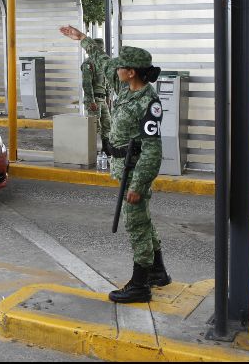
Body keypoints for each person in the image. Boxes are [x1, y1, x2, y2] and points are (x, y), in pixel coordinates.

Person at [60, 25, 170, 304]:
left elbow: (153, 150)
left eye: (122, 66)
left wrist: (138, 184)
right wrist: (83, 39)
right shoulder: (124, 86)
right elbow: (104, 61)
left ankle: (139, 285)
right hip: (123, 167)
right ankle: (158, 272)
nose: (117, 68)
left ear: (131, 71)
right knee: (142, 218)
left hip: (135, 172)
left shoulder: (148, 102)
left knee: (136, 225)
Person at [81, 37, 111, 152]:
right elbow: (87, 84)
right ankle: (91, 151)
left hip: (102, 100)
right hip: (94, 100)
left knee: (107, 124)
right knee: (94, 127)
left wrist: (108, 97)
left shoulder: (103, 64)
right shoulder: (88, 64)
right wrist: (91, 101)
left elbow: (106, 82)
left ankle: (106, 149)